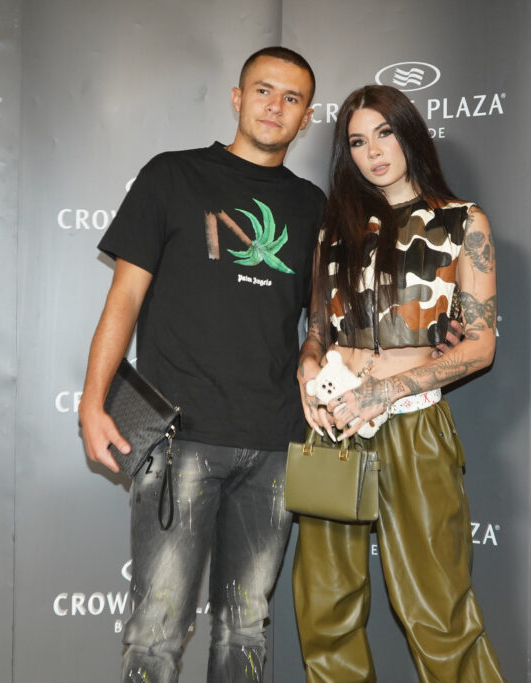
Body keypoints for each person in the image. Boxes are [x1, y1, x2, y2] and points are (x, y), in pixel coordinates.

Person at [78, 47, 325, 683]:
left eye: (291, 98)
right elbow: (124, 297)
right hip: (177, 439)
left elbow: (321, 317)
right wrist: (92, 402)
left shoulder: (312, 206)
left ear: (306, 117)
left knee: (245, 629)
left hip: (275, 446)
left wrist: (314, 349)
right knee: (156, 633)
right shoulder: (172, 176)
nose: (275, 106)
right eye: (263, 90)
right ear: (238, 98)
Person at [292, 84, 507, 682]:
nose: (373, 152)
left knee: (437, 607)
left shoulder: (462, 221)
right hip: (334, 425)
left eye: (384, 134)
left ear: (408, 134)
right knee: (324, 607)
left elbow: (481, 346)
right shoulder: (334, 228)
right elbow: (317, 329)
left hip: (413, 424)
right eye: (358, 142)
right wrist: (307, 366)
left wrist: (386, 390)